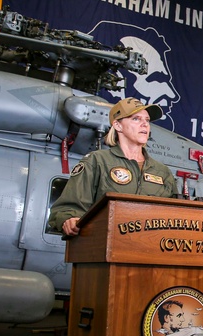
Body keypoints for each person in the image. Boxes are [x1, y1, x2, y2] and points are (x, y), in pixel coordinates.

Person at [47, 97, 178, 234]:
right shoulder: (97, 161)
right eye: (136, 119)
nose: (145, 124)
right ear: (117, 125)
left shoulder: (162, 172)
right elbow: (66, 209)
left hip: (150, 245)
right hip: (104, 241)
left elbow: (176, 217)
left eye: (147, 120)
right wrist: (69, 220)